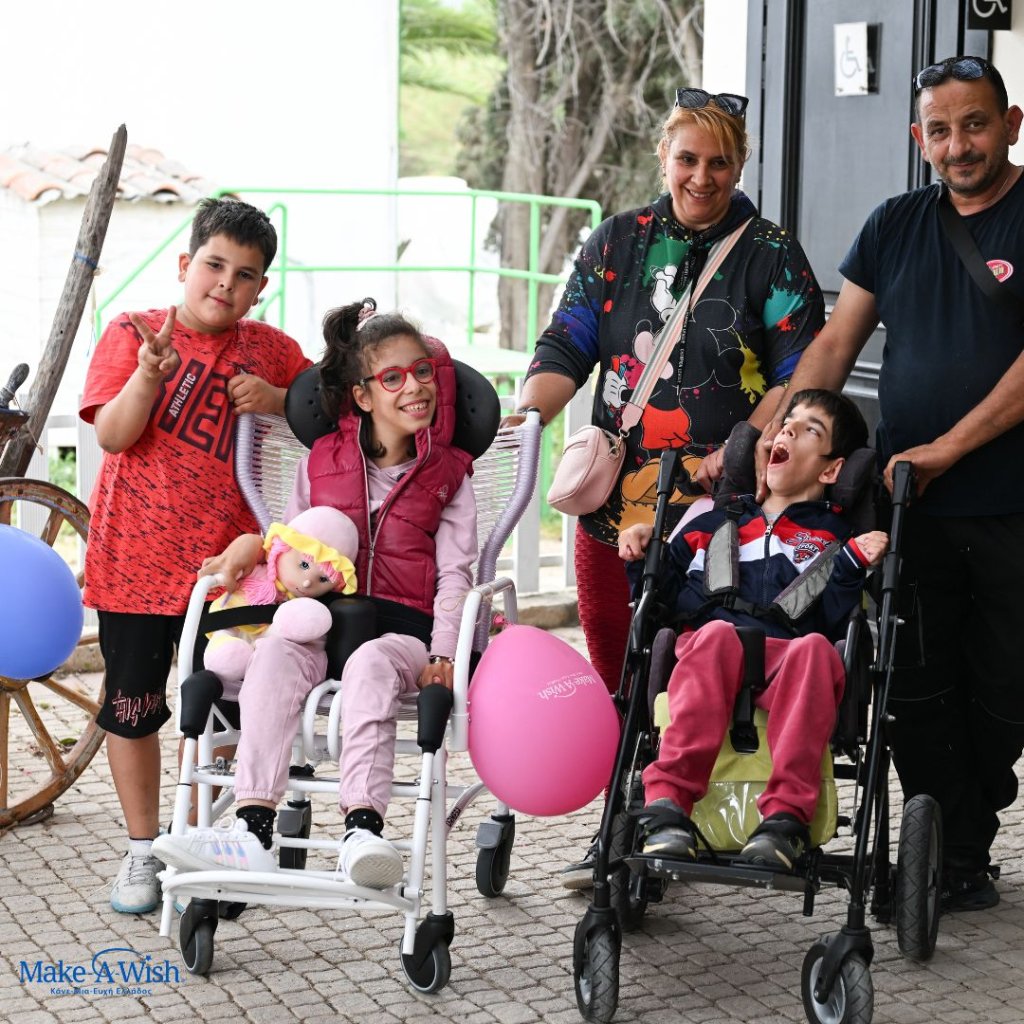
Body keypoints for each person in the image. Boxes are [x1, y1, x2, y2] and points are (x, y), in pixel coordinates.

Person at [511, 88, 825, 887]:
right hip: (615, 508)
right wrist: (528, 415)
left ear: (741, 164)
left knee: (688, 672)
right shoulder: (619, 241)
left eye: (720, 162)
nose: (702, 177)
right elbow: (567, 343)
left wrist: (740, 450)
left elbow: (800, 375)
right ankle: (619, 834)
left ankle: (677, 816)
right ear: (663, 156)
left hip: (720, 514)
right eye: (688, 159)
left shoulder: (772, 254)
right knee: (619, 676)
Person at [756, 56, 1024, 910]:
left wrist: (949, 446)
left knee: (1005, 687)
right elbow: (837, 343)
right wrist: (777, 431)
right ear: (919, 139)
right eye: (940, 130)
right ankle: (946, 857)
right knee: (915, 683)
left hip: (1012, 503)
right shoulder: (895, 223)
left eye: (975, 124)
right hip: (911, 505)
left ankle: (966, 829)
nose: (959, 145)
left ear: (1011, 124)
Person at [154, 300, 478, 890]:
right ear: (362, 395)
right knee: (276, 650)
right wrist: (252, 549)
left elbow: (456, 572)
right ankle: (253, 830)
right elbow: (289, 546)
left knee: (371, 661)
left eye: (423, 372)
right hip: (322, 622)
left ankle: (362, 831)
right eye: (393, 377)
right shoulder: (320, 462)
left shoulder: (450, 475)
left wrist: (444, 652)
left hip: (404, 634)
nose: (415, 387)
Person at [80, 197, 313, 914]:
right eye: (214, 265)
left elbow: (326, 410)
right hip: (135, 564)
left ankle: (202, 839)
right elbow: (113, 436)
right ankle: (142, 850)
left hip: (233, 575)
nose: (225, 284)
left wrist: (278, 398)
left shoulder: (271, 350)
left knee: (224, 710)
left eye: (244, 275)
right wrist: (150, 375)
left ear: (261, 288)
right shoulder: (133, 330)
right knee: (133, 710)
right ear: (186, 264)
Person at [627, 390, 887, 869]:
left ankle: (785, 819)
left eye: (810, 430)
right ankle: (667, 804)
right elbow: (660, 598)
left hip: (789, 653)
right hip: (711, 645)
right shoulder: (710, 526)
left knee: (816, 648)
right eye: (788, 422)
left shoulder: (834, 541)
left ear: (831, 470)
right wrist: (642, 554)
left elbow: (834, 619)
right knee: (715, 636)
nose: (788, 429)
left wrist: (853, 564)